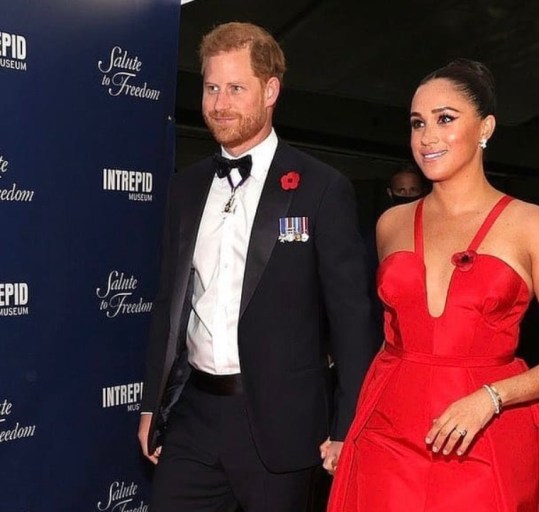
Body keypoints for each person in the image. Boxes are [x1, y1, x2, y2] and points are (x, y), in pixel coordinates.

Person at [327, 59, 539, 511]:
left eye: (445, 119)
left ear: (486, 128)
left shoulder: (533, 226)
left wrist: (493, 397)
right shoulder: (390, 224)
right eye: (418, 123)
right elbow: (388, 339)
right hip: (388, 432)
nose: (427, 137)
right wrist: (348, 428)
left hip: (484, 434)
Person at [137, 22, 377, 512]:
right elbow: (169, 303)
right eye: (211, 88)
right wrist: (150, 404)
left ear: (270, 91)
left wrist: (346, 425)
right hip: (194, 415)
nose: (219, 103)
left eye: (235, 88)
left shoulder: (321, 188)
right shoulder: (185, 188)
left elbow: (353, 320)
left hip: (283, 426)